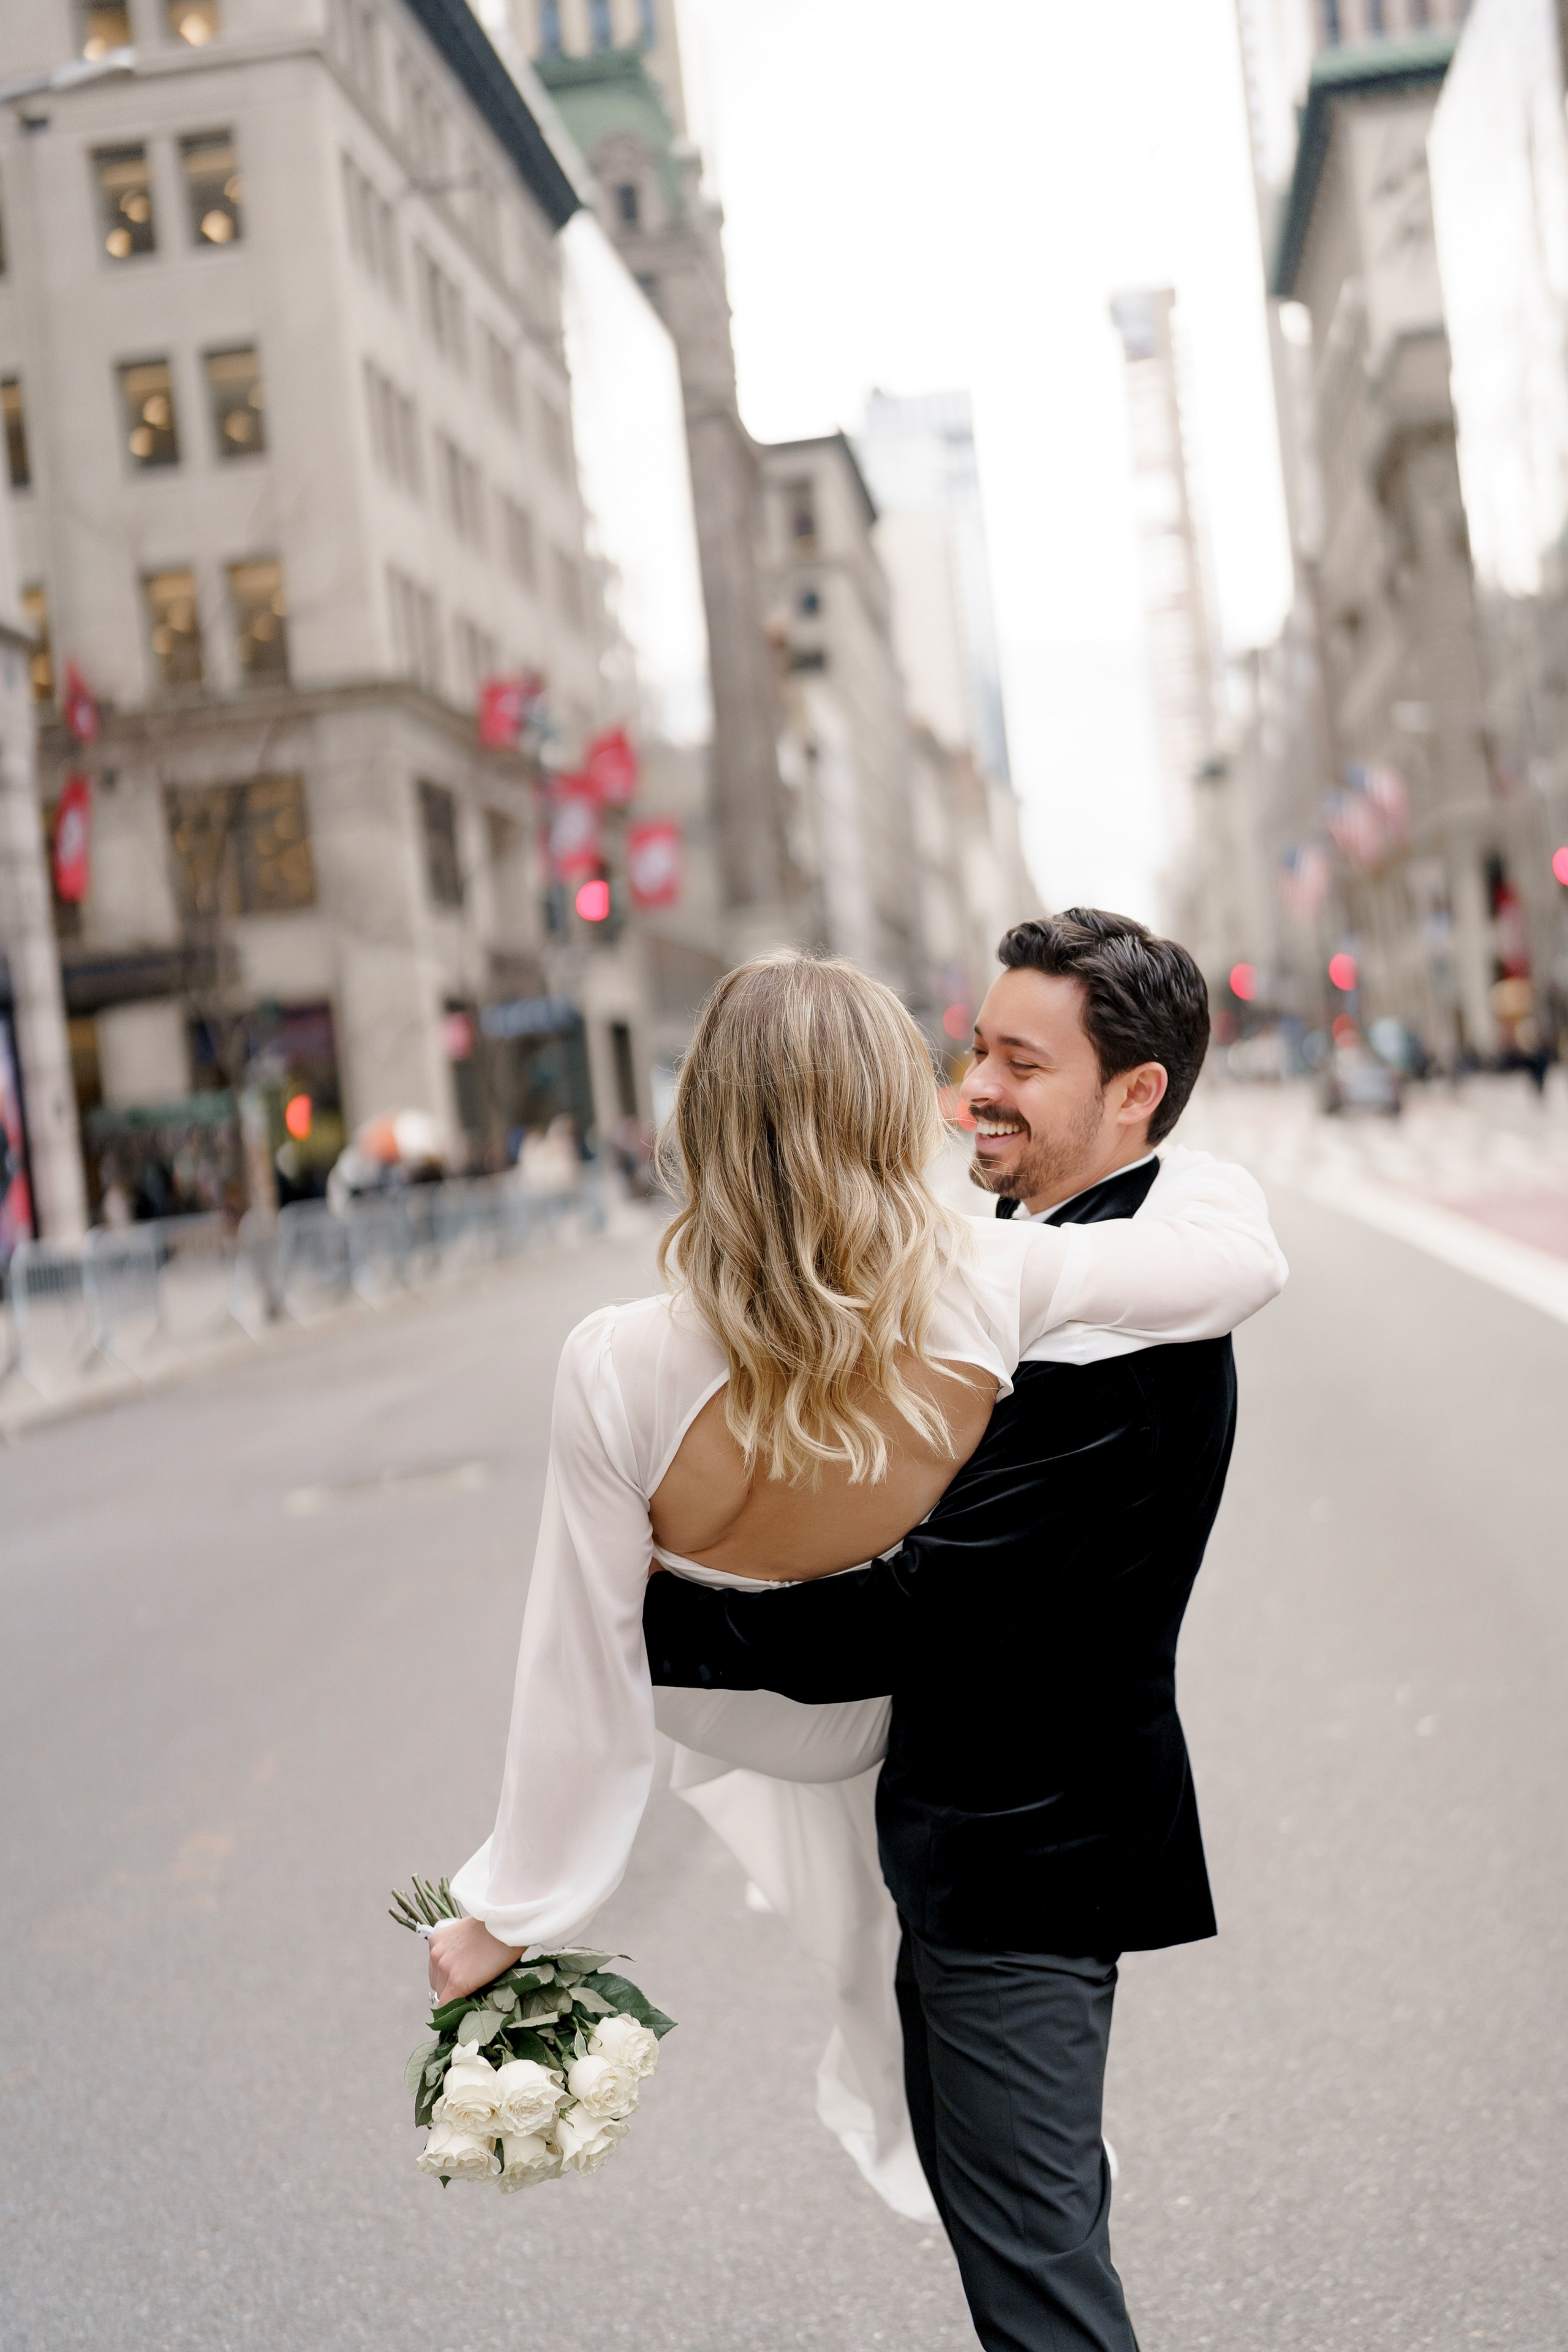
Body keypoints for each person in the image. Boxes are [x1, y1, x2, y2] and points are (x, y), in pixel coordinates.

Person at [427, 945, 1284, 2327]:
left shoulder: (615, 1363)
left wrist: (516, 1907)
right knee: (996, 2197)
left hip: (923, 1786)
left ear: (694, 1118)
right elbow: (1234, 1262)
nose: (975, 1094)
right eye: (964, 1065)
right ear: (896, 1117)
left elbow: (578, 1664)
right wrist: (1210, 1180)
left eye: (1017, 1063)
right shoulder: (992, 1279)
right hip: (902, 1773)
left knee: (1025, 2246)